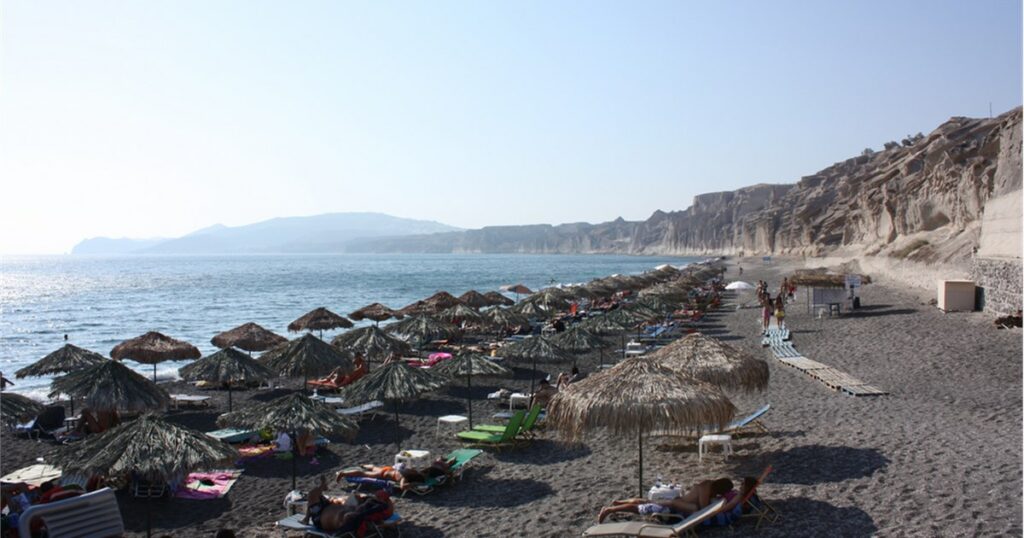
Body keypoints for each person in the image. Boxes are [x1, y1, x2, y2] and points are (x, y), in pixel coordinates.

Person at [597, 478, 734, 523]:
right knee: (644, 507)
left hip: (678, 503)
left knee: (645, 502)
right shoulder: (706, 487)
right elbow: (703, 509)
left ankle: (619, 503)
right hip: (675, 504)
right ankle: (609, 510)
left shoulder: (709, 487)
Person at [305, 475, 394, 532]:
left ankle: (322, 486)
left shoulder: (381, 509)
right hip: (333, 513)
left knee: (312, 495)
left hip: (323, 517)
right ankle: (322, 488)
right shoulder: (382, 508)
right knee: (351, 510)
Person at [337, 463, 425, 491]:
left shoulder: (412, 471)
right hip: (384, 474)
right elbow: (402, 487)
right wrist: (413, 484)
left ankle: (364, 465)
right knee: (363, 474)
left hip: (389, 469)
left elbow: (414, 469)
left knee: (374, 468)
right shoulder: (404, 478)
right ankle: (343, 474)